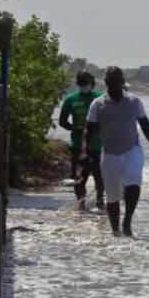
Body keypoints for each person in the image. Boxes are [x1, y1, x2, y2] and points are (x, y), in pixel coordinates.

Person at [82, 66, 149, 236]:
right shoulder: (97, 104)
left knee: (133, 184)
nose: (116, 84)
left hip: (132, 150)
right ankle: (115, 231)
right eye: (112, 81)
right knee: (112, 196)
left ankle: (127, 221)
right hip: (109, 153)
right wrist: (84, 154)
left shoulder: (134, 101)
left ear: (123, 82)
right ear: (106, 83)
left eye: (118, 81)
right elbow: (89, 130)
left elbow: (146, 126)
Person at [58, 71, 104, 209]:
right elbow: (62, 121)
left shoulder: (100, 98)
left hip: (97, 145)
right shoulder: (70, 99)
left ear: (92, 83)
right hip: (77, 145)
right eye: (81, 84)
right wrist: (74, 128)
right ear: (78, 84)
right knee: (79, 178)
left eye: (86, 83)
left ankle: (100, 201)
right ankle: (81, 205)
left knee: (99, 176)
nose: (84, 86)